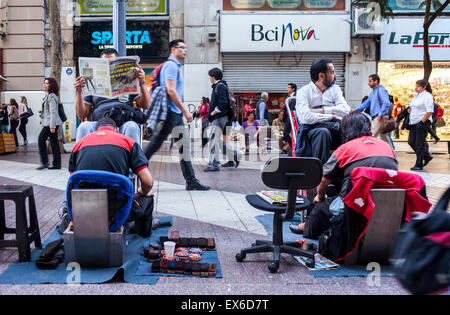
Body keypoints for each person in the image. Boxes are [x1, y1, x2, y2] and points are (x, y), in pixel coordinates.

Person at [289, 112, 398, 238]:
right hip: (390, 199)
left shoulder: (344, 149)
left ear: (345, 130)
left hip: (356, 201)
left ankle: (307, 227)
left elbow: (324, 180)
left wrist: (319, 197)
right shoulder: (386, 146)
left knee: (322, 208)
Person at [143, 39, 210, 191]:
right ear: (173, 49)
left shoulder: (174, 66)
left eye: (186, 47)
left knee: (183, 146)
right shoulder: (171, 66)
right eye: (182, 48)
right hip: (171, 112)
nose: (185, 50)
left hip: (174, 113)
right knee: (155, 144)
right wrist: (185, 111)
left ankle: (191, 180)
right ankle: (133, 168)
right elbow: (171, 90)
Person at [68, 118, 156, 232]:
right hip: (118, 211)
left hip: (84, 211)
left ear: (95, 130)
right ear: (117, 130)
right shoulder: (128, 142)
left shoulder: (79, 144)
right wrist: (142, 191)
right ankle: (141, 230)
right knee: (148, 194)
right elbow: (148, 182)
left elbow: (72, 183)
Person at [74, 48, 150, 145]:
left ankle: (136, 160)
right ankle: (78, 160)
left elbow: (146, 105)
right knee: (83, 127)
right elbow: (81, 115)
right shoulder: (92, 84)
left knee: (132, 127)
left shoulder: (128, 80)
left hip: (123, 123)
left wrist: (142, 82)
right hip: (99, 123)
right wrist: (79, 91)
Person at [295, 57, 350, 164]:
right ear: (321, 76)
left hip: (334, 129)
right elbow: (306, 118)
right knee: (323, 132)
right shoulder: (304, 92)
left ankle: (345, 167)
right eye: (332, 72)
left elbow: (345, 110)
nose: (336, 75)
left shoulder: (335, 89)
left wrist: (321, 110)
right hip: (312, 131)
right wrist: (332, 116)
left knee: (349, 129)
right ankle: (321, 171)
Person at [204, 67, 240, 171]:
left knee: (213, 140)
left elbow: (223, 103)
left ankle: (214, 165)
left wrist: (213, 112)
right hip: (220, 118)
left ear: (213, 77)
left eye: (210, 77)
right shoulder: (220, 86)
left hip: (219, 117)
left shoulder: (220, 86)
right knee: (216, 140)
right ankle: (234, 155)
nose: (209, 79)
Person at [352, 74, 392, 146]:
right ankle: (391, 155)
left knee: (371, 136)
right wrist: (355, 110)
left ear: (376, 81)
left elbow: (386, 103)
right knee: (385, 139)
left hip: (380, 117)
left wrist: (380, 115)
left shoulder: (381, 90)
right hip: (378, 117)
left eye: (370, 81)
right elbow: (365, 104)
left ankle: (368, 154)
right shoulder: (373, 93)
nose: (368, 83)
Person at [408, 80, 435, 171]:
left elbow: (430, 110)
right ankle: (426, 156)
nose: (416, 88)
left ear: (424, 87)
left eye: (418, 86)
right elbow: (414, 106)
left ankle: (419, 164)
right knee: (411, 141)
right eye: (416, 86)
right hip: (414, 122)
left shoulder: (427, 96)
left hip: (422, 121)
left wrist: (422, 122)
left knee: (419, 143)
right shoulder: (416, 95)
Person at [37, 78, 62, 170]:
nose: (45, 85)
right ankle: (57, 164)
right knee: (54, 143)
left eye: (47, 83)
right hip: (52, 122)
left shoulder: (51, 96)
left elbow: (53, 112)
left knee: (41, 139)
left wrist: (52, 126)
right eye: (44, 83)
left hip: (50, 123)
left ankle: (45, 162)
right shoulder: (49, 95)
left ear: (51, 85)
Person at [282, 83, 297, 154]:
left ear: (293, 89)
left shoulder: (295, 97)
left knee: (286, 133)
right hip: (288, 119)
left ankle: (295, 147)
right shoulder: (289, 98)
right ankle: (294, 146)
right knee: (285, 134)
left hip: (292, 119)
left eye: (288, 88)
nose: (287, 89)